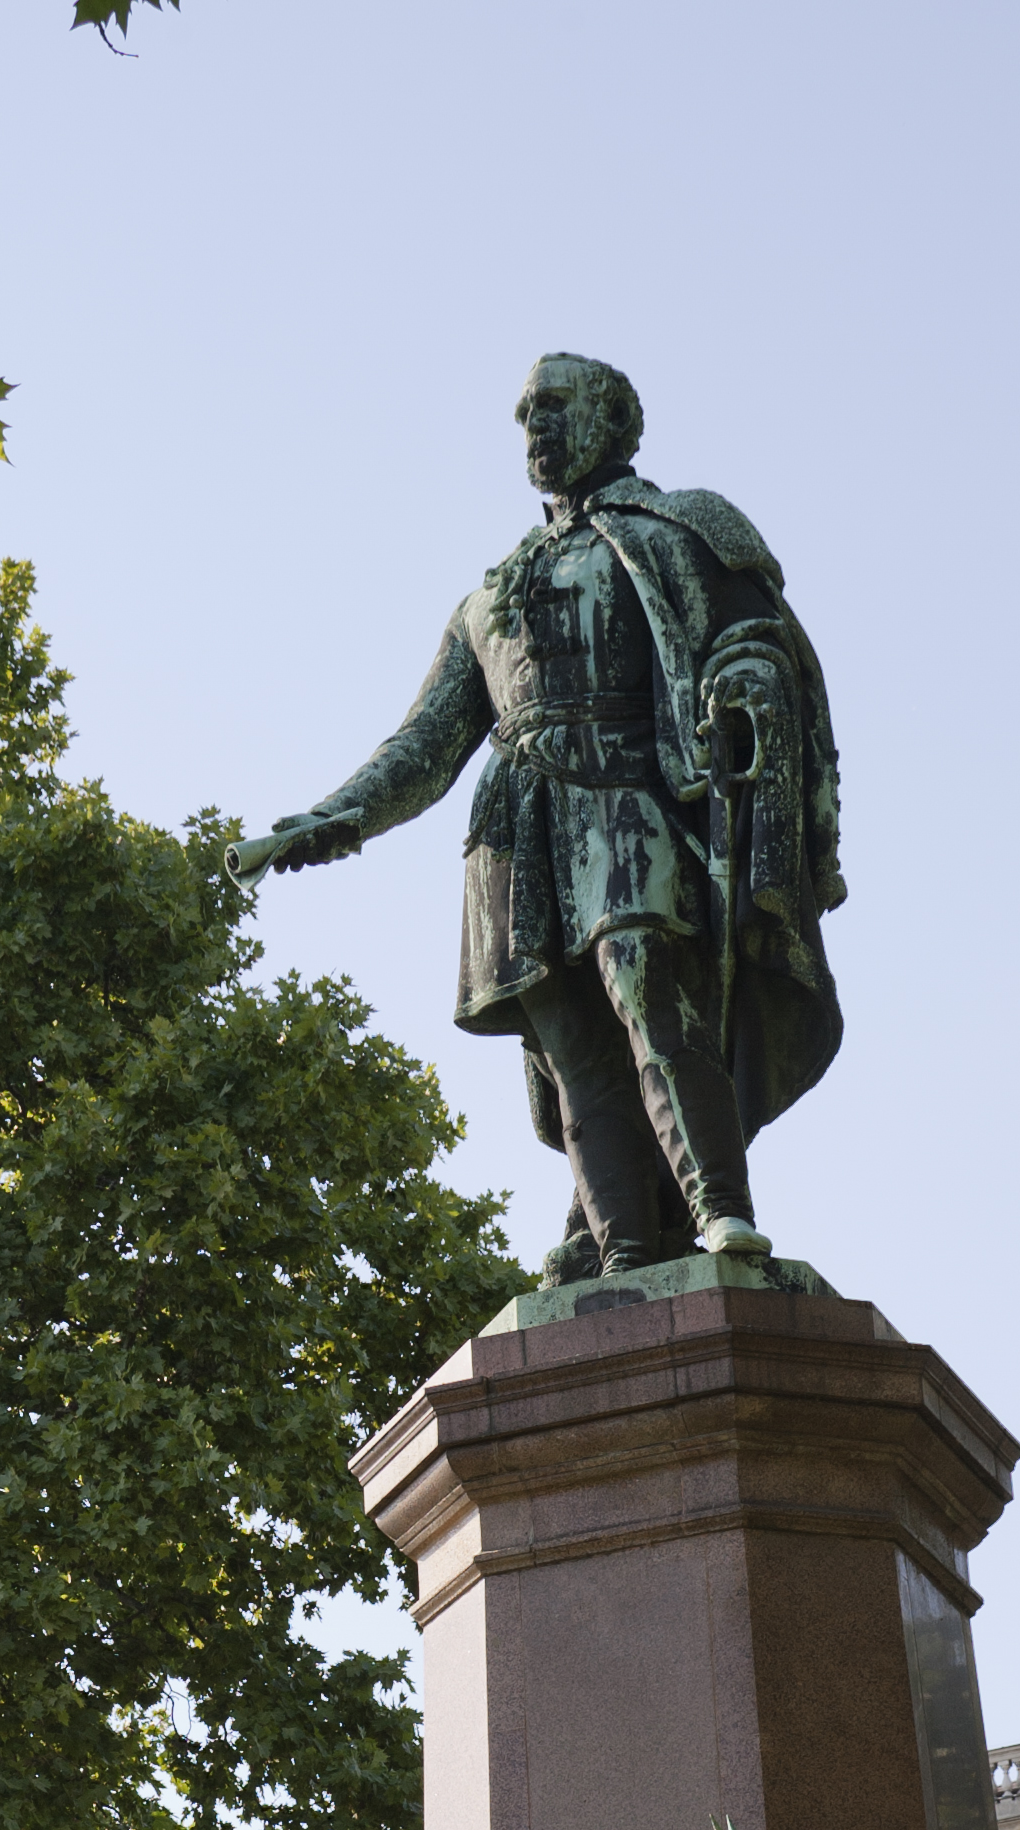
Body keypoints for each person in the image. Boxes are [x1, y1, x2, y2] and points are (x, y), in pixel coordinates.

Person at [232, 354, 843, 1286]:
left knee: (645, 986)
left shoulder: (682, 529)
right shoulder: (488, 596)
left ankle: (718, 1206)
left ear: (615, 422)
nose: (534, 430)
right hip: (516, 829)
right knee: (569, 1043)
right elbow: (426, 745)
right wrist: (327, 820)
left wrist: (745, 683)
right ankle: (623, 1246)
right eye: (523, 415)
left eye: (553, 407)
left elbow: (763, 646)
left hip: (626, 803)